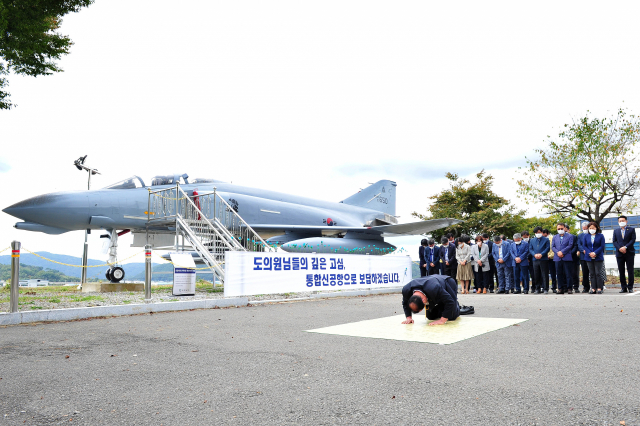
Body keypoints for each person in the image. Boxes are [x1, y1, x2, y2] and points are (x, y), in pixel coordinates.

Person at [612, 215, 636, 293]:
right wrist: (620, 248)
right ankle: (623, 287)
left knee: (630, 270)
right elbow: (614, 241)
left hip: (629, 253)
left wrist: (625, 247)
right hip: (619, 254)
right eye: (620, 221)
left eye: (623, 220)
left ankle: (630, 287)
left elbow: (632, 240)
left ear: (626, 221)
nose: (621, 222)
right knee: (621, 271)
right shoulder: (616, 231)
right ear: (618, 222)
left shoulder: (631, 229)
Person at [551, 222, 575, 294]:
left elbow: (570, 245)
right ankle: (560, 288)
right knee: (559, 274)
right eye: (559, 228)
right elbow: (553, 247)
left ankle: (569, 288)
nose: (560, 230)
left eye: (562, 228)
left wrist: (562, 252)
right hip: (557, 258)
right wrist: (558, 252)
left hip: (566, 257)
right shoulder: (555, 237)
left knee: (568, 274)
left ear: (565, 228)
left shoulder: (570, 236)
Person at [583, 221, 605, 294]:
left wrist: (595, 253)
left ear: (596, 228)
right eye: (590, 228)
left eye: (593, 228)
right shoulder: (586, 236)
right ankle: (593, 288)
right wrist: (590, 253)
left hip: (598, 257)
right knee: (592, 273)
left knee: (598, 273)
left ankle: (599, 288)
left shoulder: (601, 236)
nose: (591, 229)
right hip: (589, 257)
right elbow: (584, 246)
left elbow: (602, 246)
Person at [530, 226, 550, 294]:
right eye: (536, 232)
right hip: (535, 259)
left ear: (541, 232)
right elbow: (530, 249)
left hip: (543, 259)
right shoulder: (532, 240)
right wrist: (534, 254)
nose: (537, 233)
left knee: (544, 274)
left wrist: (541, 254)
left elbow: (547, 248)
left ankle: (545, 288)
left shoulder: (546, 239)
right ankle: (537, 288)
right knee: (536, 274)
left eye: (539, 232)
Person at [577, 222, 591, 293]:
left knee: (593, 272)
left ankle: (596, 286)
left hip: (591, 255)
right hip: (583, 256)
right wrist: (583, 250)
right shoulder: (580, 236)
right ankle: (586, 287)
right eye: (584, 228)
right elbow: (579, 244)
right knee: (585, 272)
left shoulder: (591, 234)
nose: (585, 229)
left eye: (586, 228)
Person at [566, 224, 580, 293]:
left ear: (569, 230)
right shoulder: (559, 237)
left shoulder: (574, 237)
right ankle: (567, 287)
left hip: (573, 257)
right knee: (566, 273)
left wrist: (570, 253)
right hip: (564, 257)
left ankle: (576, 287)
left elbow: (575, 246)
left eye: (566, 230)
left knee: (574, 273)